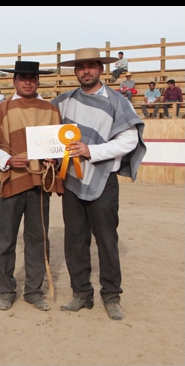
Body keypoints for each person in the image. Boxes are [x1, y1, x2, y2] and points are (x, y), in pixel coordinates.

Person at [51, 47, 146, 321]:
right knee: (75, 240)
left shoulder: (117, 102)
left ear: (101, 69)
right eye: (81, 67)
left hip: (103, 180)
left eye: (91, 66)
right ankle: (81, 294)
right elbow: (45, 128)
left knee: (106, 240)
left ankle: (112, 296)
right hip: (71, 181)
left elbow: (128, 140)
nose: (86, 71)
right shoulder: (64, 101)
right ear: (75, 71)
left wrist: (91, 151)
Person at [0, 61, 64, 312]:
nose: (28, 82)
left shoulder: (51, 110)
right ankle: (6, 290)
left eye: (32, 78)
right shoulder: (1, 109)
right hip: (11, 180)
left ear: (38, 81)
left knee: (38, 240)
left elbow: (59, 146)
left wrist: (54, 159)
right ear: (14, 81)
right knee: (6, 240)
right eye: (23, 78)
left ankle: (34, 292)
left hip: (40, 183)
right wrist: (8, 160)